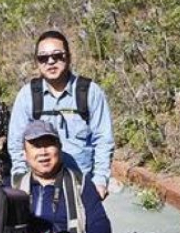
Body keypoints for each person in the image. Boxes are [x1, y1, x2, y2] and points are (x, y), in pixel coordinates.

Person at [8, 30, 115, 200]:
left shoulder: (89, 92)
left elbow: (103, 139)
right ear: (37, 62)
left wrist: (100, 181)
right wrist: (21, 178)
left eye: (57, 55)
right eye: (43, 57)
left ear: (69, 57)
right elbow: (16, 142)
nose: (50, 61)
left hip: (81, 185)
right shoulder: (27, 95)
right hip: (39, 188)